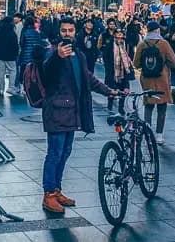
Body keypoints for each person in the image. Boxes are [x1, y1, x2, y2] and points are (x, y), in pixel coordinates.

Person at [40, 17, 116, 214]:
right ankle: (49, 194)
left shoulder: (78, 54)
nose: (67, 34)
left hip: (72, 112)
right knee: (55, 153)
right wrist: (57, 57)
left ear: (75, 32)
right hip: (57, 111)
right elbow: (46, 75)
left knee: (65, 152)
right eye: (64, 30)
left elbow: (88, 78)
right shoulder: (52, 52)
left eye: (70, 30)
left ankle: (56, 189)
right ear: (59, 32)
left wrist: (108, 91)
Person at [132, 20, 175, 145]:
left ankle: (147, 132)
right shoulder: (164, 44)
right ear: (157, 30)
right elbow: (174, 62)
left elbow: (136, 63)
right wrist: (164, 64)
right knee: (162, 107)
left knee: (148, 106)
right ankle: (159, 135)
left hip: (147, 79)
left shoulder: (142, 44)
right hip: (162, 78)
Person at [0, 16, 19, 96]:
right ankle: (11, 87)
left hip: (0, 55)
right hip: (11, 56)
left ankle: (1, 89)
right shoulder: (12, 33)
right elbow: (15, 45)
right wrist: (16, 53)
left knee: (1, 73)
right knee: (13, 71)